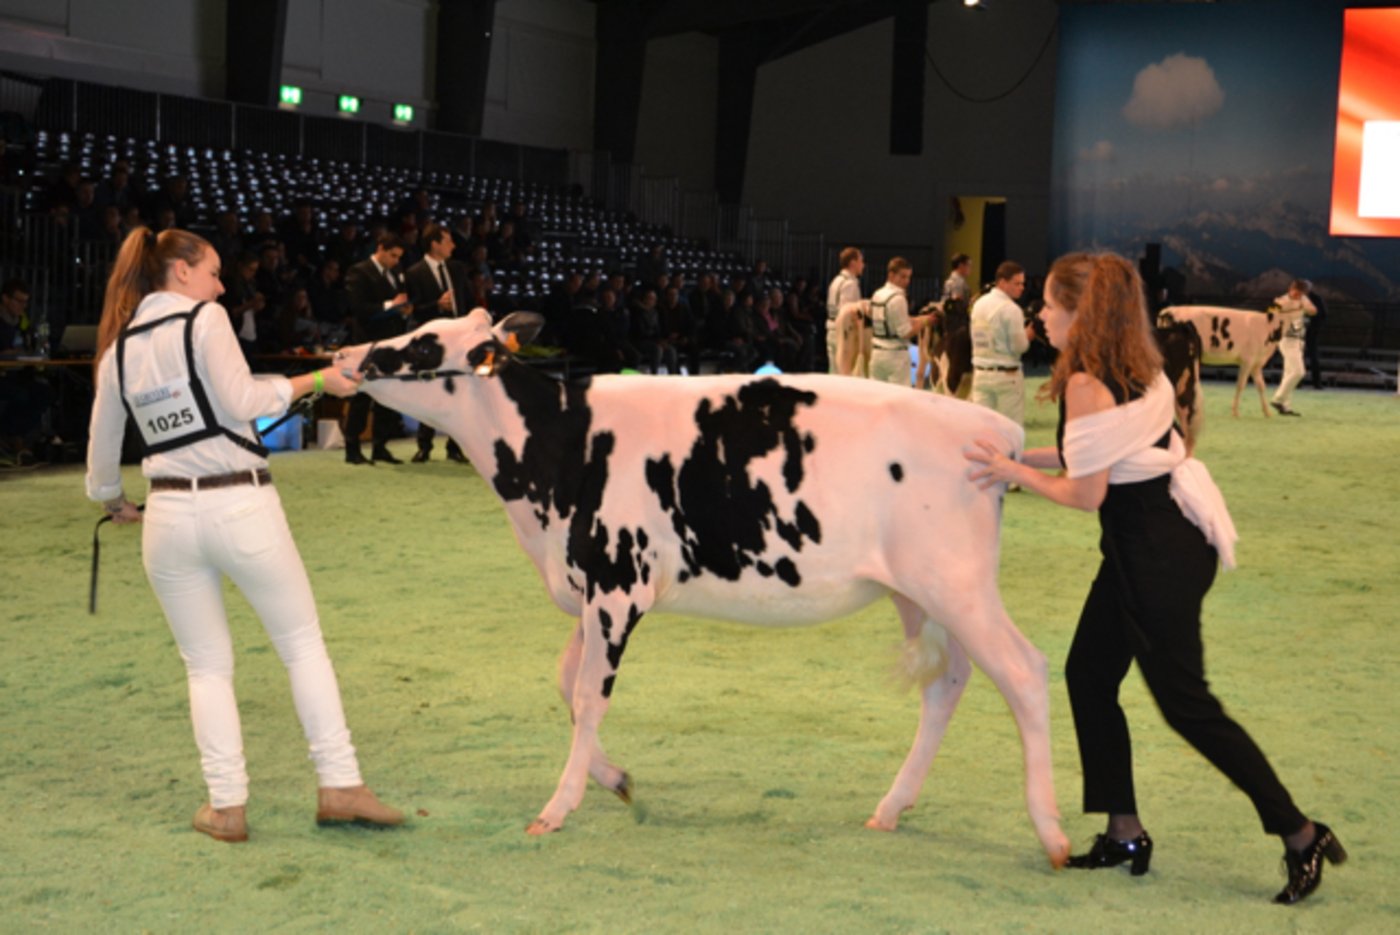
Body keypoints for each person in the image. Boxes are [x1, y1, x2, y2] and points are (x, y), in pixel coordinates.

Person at [964, 251, 1345, 906]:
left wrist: (1014, 472)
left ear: (1081, 313)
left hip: (1154, 557)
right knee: (1089, 674)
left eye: (1050, 305)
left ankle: (1301, 833)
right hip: (1157, 539)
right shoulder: (1138, 362)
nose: (1041, 315)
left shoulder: (1089, 382)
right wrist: (1018, 453)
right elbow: (1099, 451)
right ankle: (1125, 831)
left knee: (1187, 706)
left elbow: (1085, 490)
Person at [84, 226, 403, 843]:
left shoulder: (117, 350)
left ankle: (226, 807)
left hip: (167, 517)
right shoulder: (204, 320)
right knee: (301, 646)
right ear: (181, 271)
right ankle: (339, 784)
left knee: (206, 668)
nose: (221, 286)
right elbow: (242, 399)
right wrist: (318, 381)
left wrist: (113, 501)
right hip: (240, 503)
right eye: (213, 272)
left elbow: (102, 449)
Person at [343, 233, 412, 464]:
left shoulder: (394, 272)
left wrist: (402, 310)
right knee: (361, 396)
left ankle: (380, 446)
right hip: (367, 343)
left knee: (387, 396)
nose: (395, 261)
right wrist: (392, 304)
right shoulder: (359, 271)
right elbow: (359, 308)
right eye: (392, 255)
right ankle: (352, 448)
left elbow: (393, 306)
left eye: (398, 257)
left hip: (391, 342)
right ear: (380, 248)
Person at [403, 224, 468, 463]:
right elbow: (412, 310)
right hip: (430, 341)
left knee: (458, 392)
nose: (453, 245)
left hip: (457, 339)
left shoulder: (457, 269)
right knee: (429, 392)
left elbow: (467, 302)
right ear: (435, 244)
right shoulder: (414, 273)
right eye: (448, 241)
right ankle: (424, 445)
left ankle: (455, 446)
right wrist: (436, 306)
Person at [969, 261, 1033, 425]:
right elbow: (1019, 347)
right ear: (1003, 282)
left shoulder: (978, 304)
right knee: (1010, 429)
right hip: (1007, 376)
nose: (1022, 288)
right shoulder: (1012, 310)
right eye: (1017, 283)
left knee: (982, 428)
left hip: (980, 374)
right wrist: (1028, 335)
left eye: (1023, 283)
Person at [867, 256, 932, 386]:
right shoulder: (899, 298)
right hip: (895, 357)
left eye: (908, 277)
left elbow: (882, 317)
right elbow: (905, 333)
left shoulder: (877, 294)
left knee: (876, 394)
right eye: (903, 276)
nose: (907, 281)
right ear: (891, 275)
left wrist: (918, 319)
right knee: (899, 397)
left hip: (876, 354)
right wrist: (925, 322)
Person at [1271, 279, 1316, 416]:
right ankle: (1278, 399)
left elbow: (1313, 311)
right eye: (1297, 293)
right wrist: (1286, 310)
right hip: (1286, 339)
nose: (1298, 296)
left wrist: (1305, 307)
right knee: (1299, 372)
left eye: (1301, 294)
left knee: (1289, 374)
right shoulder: (1281, 301)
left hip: (1298, 340)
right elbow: (1270, 315)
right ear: (1291, 289)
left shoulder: (1303, 299)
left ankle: (1285, 406)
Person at [825, 247, 864, 373]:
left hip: (831, 329)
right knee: (844, 373)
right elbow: (846, 313)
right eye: (861, 261)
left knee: (833, 371)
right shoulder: (850, 283)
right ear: (853, 263)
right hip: (842, 333)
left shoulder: (836, 280)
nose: (863, 265)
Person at [1304, 282, 1328, 390]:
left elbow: (1322, 314)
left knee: (1313, 358)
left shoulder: (1316, 299)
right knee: (1297, 358)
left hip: (1312, 331)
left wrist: (1314, 323)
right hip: (1298, 332)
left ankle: (1317, 383)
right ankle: (1297, 382)